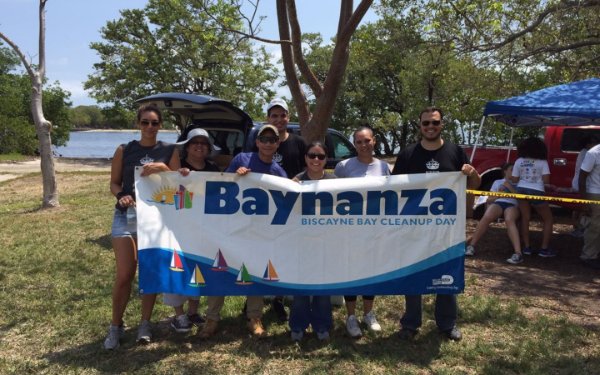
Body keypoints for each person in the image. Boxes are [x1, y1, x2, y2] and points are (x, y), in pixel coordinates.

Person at [391, 107, 480, 341]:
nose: (431, 127)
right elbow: (394, 189)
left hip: (446, 229)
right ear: (419, 126)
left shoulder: (455, 151)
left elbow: (476, 184)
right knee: (413, 275)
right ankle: (410, 324)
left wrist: (472, 173)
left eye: (435, 123)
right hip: (414, 226)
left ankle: (447, 324)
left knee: (447, 274)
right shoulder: (408, 154)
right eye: (426, 123)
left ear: (442, 124)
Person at [198, 124, 287, 339]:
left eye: (272, 140)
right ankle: (211, 318)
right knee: (220, 269)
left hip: (259, 232)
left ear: (277, 144)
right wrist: (236, 177)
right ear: (257, 142)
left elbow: (287, 198)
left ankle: (254, 317)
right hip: (232, 228)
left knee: (255, 272)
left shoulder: (278, 172)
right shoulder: (241, 159)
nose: (267, 143)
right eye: (263, 139)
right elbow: (222, 185)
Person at [104, 103, 180, 350]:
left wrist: (165, 168)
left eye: (154, 122)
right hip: (126, 216)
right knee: (125, 273)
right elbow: (115, 183)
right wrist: (121, 196)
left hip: (157, 219)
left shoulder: (169, 150)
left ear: (161, 125)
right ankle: (116, 326)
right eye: (145, 122)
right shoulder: (125, 149)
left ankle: (145, 323)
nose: (149, 127)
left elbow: (179, 185)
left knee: (148, 272)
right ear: (138, 124)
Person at [334, 126, 390, 338]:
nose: (363, 145)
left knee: (370, 270)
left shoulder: (384, 167)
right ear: (354, 144)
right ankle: (350, 317)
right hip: (349, 229)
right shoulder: (343, 166)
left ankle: (368, 313)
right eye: (358, 142)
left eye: (367, 141)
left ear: (374, 141)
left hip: (374, 229)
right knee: (351, 269)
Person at [163, 128, 220, 333]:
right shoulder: (177, 168)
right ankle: (179, 315)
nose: (199, 146)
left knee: (198, 270)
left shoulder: (213, 169)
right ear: (186, 146)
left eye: (204, 143)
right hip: (178, 228)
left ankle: (193, 312)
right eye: (195, 142)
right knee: (177, 268)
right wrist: (179, 176)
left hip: (204, 229)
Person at [263, 97, 307, 321]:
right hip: (262, 209)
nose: (279, 120)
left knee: (287, 252)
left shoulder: (298, 142)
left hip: (292, 209)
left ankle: (281, 298)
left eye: (282, 115)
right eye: (274, 115)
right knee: (263, 251)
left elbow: (306, 170)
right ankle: (256, 295)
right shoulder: (259, 139)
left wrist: (292, 181)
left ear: (288, 117)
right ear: (267, 118)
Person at [289, 142, 335, 342]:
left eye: (321, 156)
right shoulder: (295, 181)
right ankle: (298, 326)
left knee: (323, 289)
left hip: (326, 243)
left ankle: (322, 325)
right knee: (301, 289)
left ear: (326, 159)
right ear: (305, 157)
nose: (316, 159)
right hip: (301, 243)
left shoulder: (336, 182)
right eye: (312, 155)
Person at [466, 163, 523, 264]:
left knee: (509, 219)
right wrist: (499, 195)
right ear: (505, 171)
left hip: (512, 205)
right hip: (499, 203)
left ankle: (518, 253)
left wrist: (509, 186)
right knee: (487, 216)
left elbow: (521, 199)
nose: (514, 172)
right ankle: (471, 246)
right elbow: (489, 199)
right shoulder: (497, 182)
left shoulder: (519, 183)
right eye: (512, 170)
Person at [510, 137, 555, 257]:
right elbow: (546, 181)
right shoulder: (542, 162)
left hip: (521, 189)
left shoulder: (519, 161)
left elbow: (514, 179)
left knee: (525, 217)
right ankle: (544, 249)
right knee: (548, 219)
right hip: (537, 190)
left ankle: (527, 247)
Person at [569, 135, 600, 237]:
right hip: (585, 185)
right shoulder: (589, 153)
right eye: (592, 142)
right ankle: (579, 228)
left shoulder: (586, 152)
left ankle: (578, 227)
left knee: (578, 209)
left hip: (584, 184)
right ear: (587, 144)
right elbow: (583, 175)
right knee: (582, 210)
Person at [578, 142, 600, 269]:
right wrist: (584, 201)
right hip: (595, 193)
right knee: (595, 226)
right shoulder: (593, 153)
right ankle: (588, 256)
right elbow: (582, 177)